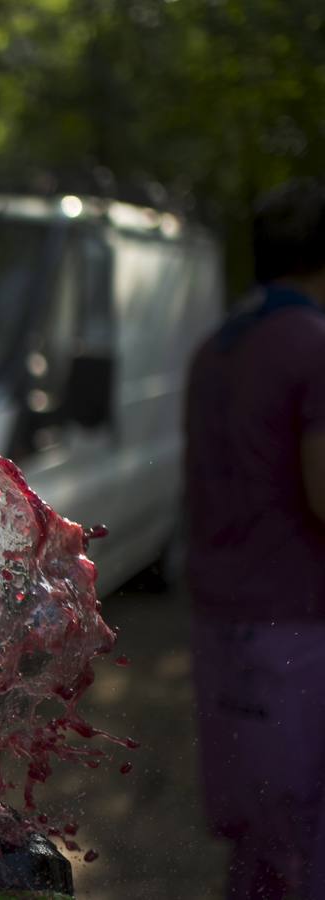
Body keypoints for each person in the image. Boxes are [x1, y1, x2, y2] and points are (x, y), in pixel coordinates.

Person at [184, 178, 325, 900]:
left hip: (220, 622)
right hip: (297, 626)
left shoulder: (217, 346)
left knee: (255, 842)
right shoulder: (312, 344)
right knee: (304, 841)